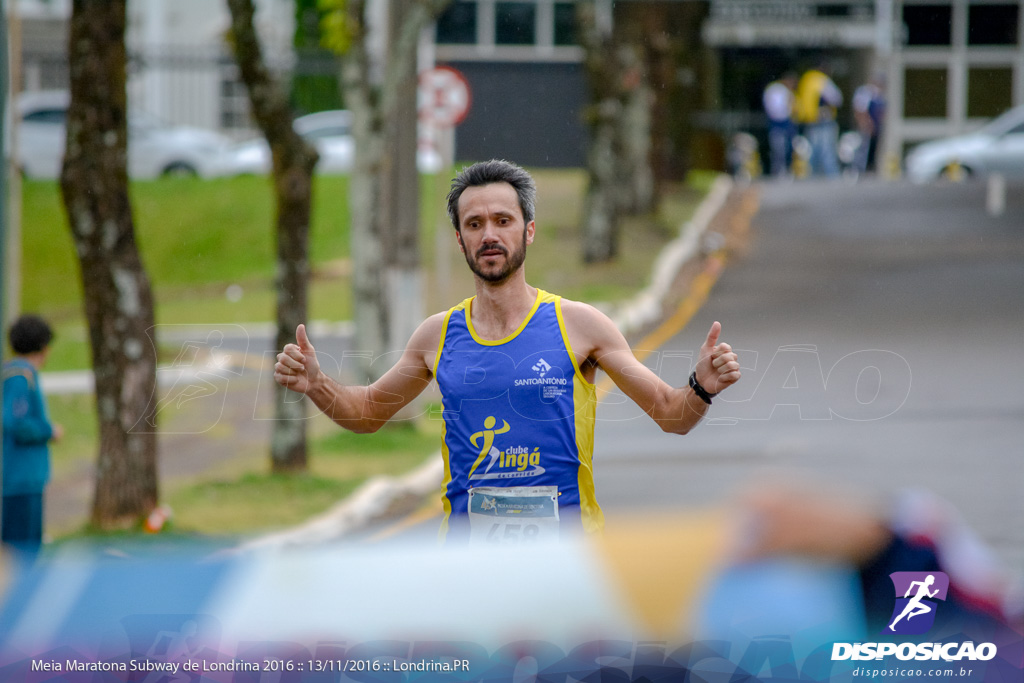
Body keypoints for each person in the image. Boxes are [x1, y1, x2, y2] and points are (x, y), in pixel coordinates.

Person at [275, 160, 741, 543]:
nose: (488, 235)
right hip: (469, 569)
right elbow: (368, 412)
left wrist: (701, 386)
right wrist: (317, 384)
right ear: (459, 239)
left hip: (569, 564)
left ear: (529, 230)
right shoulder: (437, 336)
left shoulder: (580, 326)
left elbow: (669, 413)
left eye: (503, 220)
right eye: (474, 224)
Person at [2, 314, 63, 556]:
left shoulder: (17, 373)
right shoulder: (19, 376)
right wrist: (49, 430)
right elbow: (15, 422)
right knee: (21, 552)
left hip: (25, 479)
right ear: (43, 346)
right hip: (20, 480)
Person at [795, 62, 843, 177]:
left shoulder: (806, 79)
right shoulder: (821, 80)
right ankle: (832, 175)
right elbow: (836, 98)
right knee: (827, 150)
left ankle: (812, 176)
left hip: (810, 120)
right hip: (823, 120)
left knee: (813, 151)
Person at [763, 72, 798, 177]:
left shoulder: (784, 90)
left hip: (785, 121)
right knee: (778, 148)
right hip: (778, 122)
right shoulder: (776, 89)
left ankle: (784, 170)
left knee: (787, 147)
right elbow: (776, 109)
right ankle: (778, 170)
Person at [852, 73, 886, 175]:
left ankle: (869, 168)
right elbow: (860, 110)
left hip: (876, 126)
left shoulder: (878, 94)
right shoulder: (865, 92)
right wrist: (866, 124)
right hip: (868, 125)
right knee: (863, 148)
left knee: (873, 148)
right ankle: (859, 169)